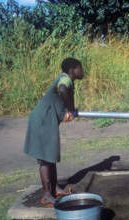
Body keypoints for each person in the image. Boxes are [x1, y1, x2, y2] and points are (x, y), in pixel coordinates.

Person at [24, 57, 84, 206]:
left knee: (50, 155)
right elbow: (62, 90)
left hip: (46, 120)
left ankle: (55, 189)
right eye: (80, 68)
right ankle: (46, 196)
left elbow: (62, 96)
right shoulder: (66, 80)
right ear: (72, 70)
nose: (82, 71)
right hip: (43, 121)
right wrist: (69, 109)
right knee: (45, 158)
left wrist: (68, 109)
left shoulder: (66, 79)